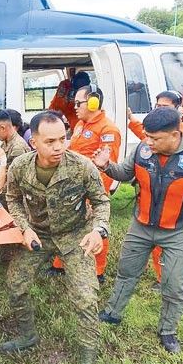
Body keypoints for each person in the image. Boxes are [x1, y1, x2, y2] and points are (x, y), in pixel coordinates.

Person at [1, 110, 111, 364]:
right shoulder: (20, 167)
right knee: (15, 284)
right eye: (50, 141)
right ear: (34, 141)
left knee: (87, 299)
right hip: (40, 235)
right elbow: (12, 198)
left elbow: (101, 201)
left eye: (63, 138)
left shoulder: (81, 166)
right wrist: (24, 228)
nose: (59, 146)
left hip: (75, 237)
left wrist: (99, 230)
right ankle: (27, 335)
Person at [93, 107, 183, 354]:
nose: (148, 142)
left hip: (179, 230)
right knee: (127, 272)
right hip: (141, 226)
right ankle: (113, 313)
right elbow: (124, 174)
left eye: (154, 138)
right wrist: (106, 166)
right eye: (146, 136)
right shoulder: (142, 151)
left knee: (174, 285)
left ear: (175, 135)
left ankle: (168, 331)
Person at [48, 84, 122, 283]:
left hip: (90, 190)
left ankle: (97, 271)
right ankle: (60, 265)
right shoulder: (80, 125)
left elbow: (107, 167)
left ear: (93, 102)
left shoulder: (108, 130)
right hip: (71, 188)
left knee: (95, 229)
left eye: (78, 103)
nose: (74, 107)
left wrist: (95, 197)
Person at [126, 90, 183, 290]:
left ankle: (164, 279)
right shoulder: (152, 138)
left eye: (165, 107)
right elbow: (147, 138)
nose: (160, 109)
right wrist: (131, 120)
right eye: (158, 106)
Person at [0, 109, 31, 209]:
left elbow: (13, 178)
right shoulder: (6, 142)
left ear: (3, 128)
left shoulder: (18, 147)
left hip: (14, 195)